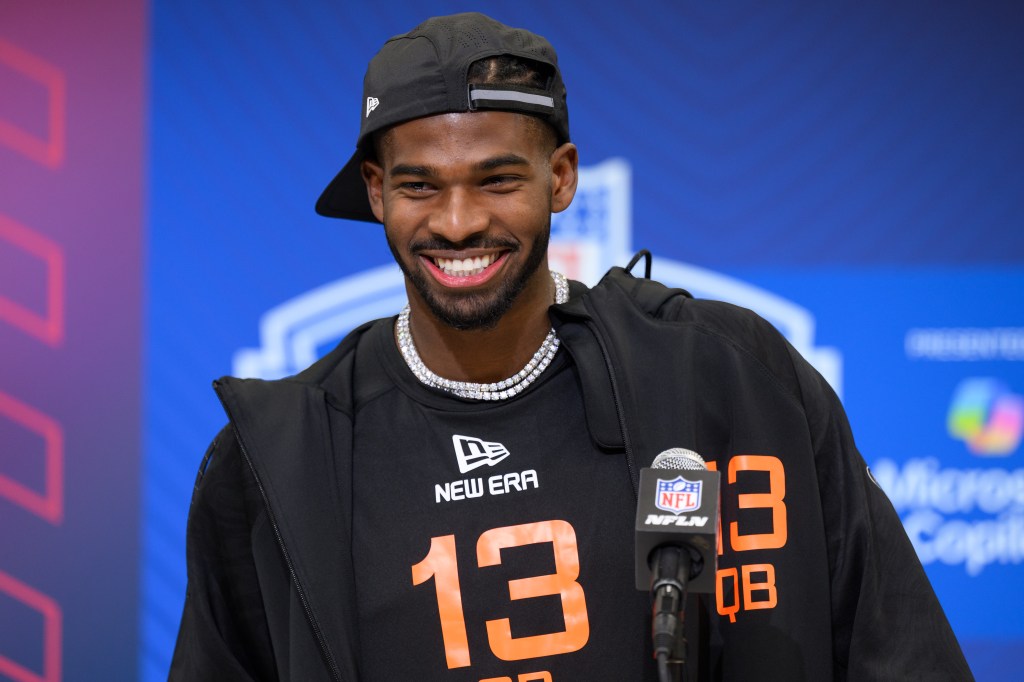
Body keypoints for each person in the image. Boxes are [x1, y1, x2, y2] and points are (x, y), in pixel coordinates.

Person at [169, 12, 973, 682]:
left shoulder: (737, 380)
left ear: (560, 178)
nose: (457, 223)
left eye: (496, 180)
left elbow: (901, 654)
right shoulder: (275, 463)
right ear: (376, 192)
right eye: (420, 186)